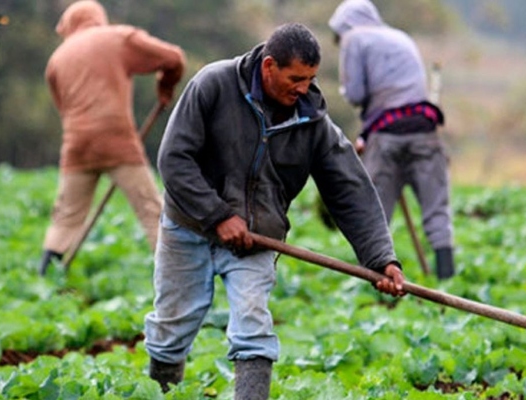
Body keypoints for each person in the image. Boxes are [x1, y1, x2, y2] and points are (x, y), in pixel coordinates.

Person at [144, 23, 405, 399]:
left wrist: (381, 259)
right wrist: (217, 215)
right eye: (296, 78)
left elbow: (351, 190)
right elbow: (173, 159)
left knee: (253, 326)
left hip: (257, 237)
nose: (304, 88)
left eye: (311, 78)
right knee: (171, 327)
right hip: (188, 226)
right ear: (269, 67)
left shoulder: (312, 120)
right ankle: (162, 391)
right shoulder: (213, 85)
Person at [38, 0, 185, 275]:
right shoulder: (117, 38)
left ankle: (45, 277)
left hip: (76, 145)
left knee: (66, 216)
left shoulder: (56, 59)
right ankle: (175, 278)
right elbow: (174, 58)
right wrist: (165, 86)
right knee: (151, 210)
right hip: (117, 142)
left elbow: (63, 109)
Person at [328, 0, 456, 279]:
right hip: (425, 130)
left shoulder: (353, 38)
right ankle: (449, 283)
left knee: (377, 216)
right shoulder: (401, 37)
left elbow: (355, 94)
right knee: (437, 212)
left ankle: (382, 293)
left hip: (385, 135)